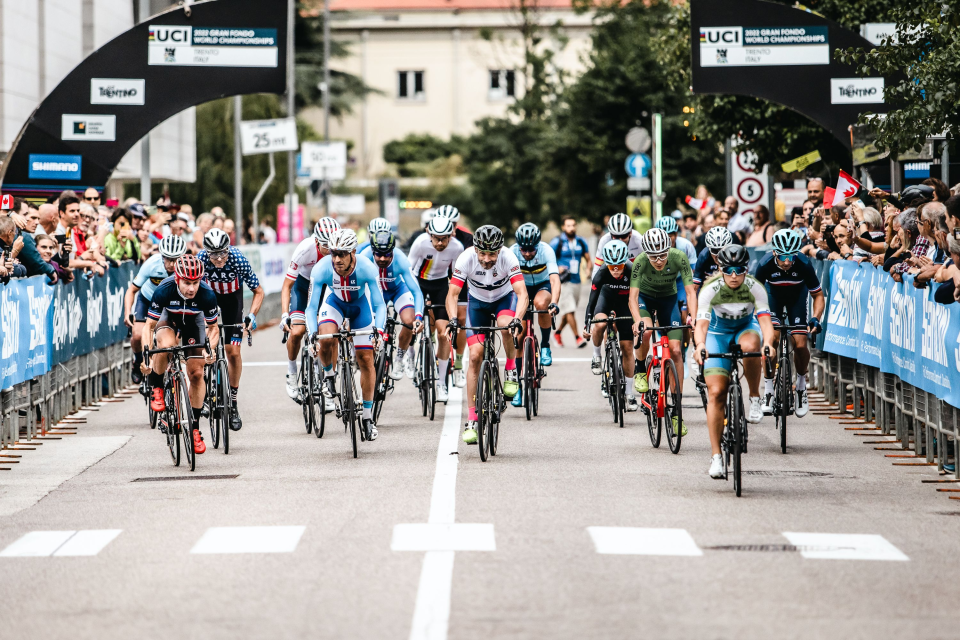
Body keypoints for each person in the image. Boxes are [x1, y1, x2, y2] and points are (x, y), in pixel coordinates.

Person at [693, 245, 775, 478]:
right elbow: (701, 326)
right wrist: (700, 346)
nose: (734, 276)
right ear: (720, 268)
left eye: (739, 270)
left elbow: (766, 323)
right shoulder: (711, 288)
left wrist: (768, 343)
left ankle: (754, 396)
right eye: (728, 270)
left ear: (746, 269)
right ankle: (716, 456)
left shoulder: (755, 287)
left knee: (752, 346)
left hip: (744, 329)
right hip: (717, 336)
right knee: (717, 392)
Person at [445, 225, 527, 444]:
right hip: (477, 305)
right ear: (475, 249)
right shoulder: (465, 259)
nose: (487, 258)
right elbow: (452, 295)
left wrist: (518, 319)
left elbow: (522, 293)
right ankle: (472, 420)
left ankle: (511, 369)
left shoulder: (508, 258)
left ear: (499, 251)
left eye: (492, 253)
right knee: (475, 355)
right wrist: (453, 319)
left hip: (503, 300)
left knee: (505, 325)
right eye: (483, 253)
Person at [306, 229, 387, 441]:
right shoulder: (322, 268)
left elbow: (379, 304)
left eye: (342, 254)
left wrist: (379, 330)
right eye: (333, 253)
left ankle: (368, 418)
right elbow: (311, 307)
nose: (337, 259)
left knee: (366, 360)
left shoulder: (367, 268)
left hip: (360, 308)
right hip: (334, 305)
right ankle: (330, 376)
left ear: (352, 252)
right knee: (326, 338)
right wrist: (312, 333)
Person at [140, 255, 221, 455]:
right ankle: (157, 387)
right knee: (166, 345)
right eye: (186, 283)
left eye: (195, 282)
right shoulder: (163, 290)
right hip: (170, 318)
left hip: (194, 323)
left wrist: (209, 349)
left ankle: (194, 428)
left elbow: (213, 329)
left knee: (196, 373)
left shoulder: (207, 294)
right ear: (177, 279)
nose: (191, 288)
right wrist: (146, 357)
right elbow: (149, 326)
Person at [628, 228, 697, 431]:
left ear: (669, 250)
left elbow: (691, 292)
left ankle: (676, 411)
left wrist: (692, 316)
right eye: (653, 257)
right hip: (645, 300)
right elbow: (632, 297)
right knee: (646, 330)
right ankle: (640, 369)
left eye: (662, 255)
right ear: (646, 254)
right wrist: (637, 320)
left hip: (668, 300)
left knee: (676, 351)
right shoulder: (640, 261)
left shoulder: (679, 257)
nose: (658, 261)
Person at [752, 229, 825, 418]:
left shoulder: (803, 263)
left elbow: (817, 295)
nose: (787, 261)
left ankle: (801, 386)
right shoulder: (764, 264)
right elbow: (754, 295)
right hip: (772, 297)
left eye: (791, 256)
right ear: (775, 252)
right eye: (783, 256)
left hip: (796, 299)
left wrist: (816, 317)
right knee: (772, 340)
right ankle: (768, 389)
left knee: (800, 344)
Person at [198, 228, 265, 431]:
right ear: (206, 252)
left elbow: (258, 291)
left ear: (229, 249)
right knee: (201, 346)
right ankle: (203, 389)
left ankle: (233, 402)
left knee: (232, 352)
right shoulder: (201, 259)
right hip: (208, 297)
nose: (218, 259)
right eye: (214, 255)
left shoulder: (237, 259)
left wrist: (252, 316)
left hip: (232, 300)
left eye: (222, 253)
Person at [281, 217, 341, 400]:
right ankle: (291, 373)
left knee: (332, 334)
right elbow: (287, 286)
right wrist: (285, 315)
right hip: (303, 286)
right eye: (325, 246)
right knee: (297, 331)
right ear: (316, 241)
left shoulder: (338, 251)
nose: (330, 250)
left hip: (326, 287)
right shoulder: (304, 249)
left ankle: (329, 380)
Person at [407, 215, 465, 402]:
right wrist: (416, 297)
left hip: (441, 285)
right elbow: (409, 270)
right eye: (436, 238)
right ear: (429, 234)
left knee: (443, 333)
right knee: (412, 321)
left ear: (451, 235)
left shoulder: (457, 247)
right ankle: (410, 352)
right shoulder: (420, 244)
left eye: (444, 238)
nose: (440, 243)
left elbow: (457, 275)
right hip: (419, 283)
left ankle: (441, 383)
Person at [359, 228, 424, 380]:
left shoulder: (401, 260)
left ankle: (400, 358)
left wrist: (419, 318)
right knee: (370, 325)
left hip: (397, 290)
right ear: (372, 250)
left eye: (387, 254)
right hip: (375, 291)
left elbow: (417, 292)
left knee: (408, 321)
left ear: (393, 251)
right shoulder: (364, 257)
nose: (382, 258)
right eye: (378, 254)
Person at [510, 223, 561, 407]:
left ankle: (546, 344)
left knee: (541, 305)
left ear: (537, 246)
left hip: (542, 286)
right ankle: (517, 387)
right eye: (524, 250)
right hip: (521, 290)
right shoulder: (511, 252)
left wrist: (554, 302)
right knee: (519, 333)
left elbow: (555, 280)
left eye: (531, 250)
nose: (527, 253)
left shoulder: (546, 250)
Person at [125, 235, 188, 384]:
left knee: (171, 341)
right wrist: (127, 312)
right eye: (168, 259)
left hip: (169, 304)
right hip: (147, 299)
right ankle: (139, 361)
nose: (172, 264)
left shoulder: (186, 268)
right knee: (137, 335)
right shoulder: (152, 264)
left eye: (176, 259)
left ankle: (166, 372)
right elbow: (132, 290)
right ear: (162, 256)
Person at [584, 240, 638, 411]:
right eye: (611, 265)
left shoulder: (632, 271)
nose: (615, 269)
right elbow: (591, 303)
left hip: (625, 303)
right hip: (605, 299)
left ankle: (629, 394)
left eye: (619, 265)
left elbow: (638, 298)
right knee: (599, 324)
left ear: (625, 261)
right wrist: (587, 324)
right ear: (606, 263)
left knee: (627, 347)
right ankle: (596, 355)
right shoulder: (601, 273)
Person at [433, 205, 474, 387]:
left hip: (461, 281)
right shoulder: (432, 237)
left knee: (462, 318)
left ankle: (458, 364)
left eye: (452, 224)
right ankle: (436, 347)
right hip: (439, 280)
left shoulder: (467, 239)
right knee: (435, 315)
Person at [549, 216, 591, 348]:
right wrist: (557, 268)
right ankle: (577, 337)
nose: (571, 228)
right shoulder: (557, 242)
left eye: (573, 225)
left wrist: (589, 269)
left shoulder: (581, 242)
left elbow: (588, 259)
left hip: (577, 280)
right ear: (563, 227)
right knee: (570, 310)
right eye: (568, 225)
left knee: (569, 311)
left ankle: (558, 333)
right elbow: (548, 259)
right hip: (563, 281)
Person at [593, 212, 643, 278]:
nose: (620, 240)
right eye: (616, 236)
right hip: (613, 278)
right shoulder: (604, 240)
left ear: (630, 233)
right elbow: (597, 268)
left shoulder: (638, 239)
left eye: (623, 236)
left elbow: (647, 266)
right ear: (611, 234)